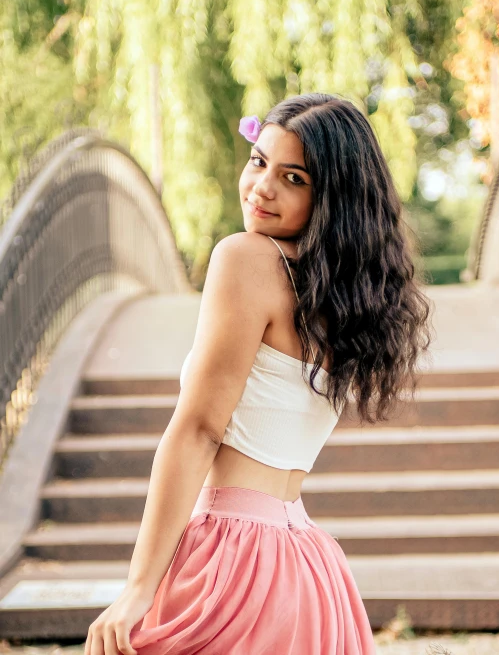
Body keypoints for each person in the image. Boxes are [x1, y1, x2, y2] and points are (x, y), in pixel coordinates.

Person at [85, 92, 432, 655]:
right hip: (308, 570)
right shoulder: (348, 302)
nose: (262, 188)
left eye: (293, 177)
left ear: (331, 197)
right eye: (258, 161)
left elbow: (199, 429)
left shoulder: (247, 259)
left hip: (232, 559)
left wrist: (137, 590)